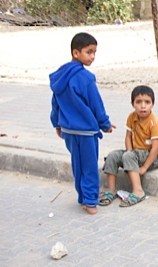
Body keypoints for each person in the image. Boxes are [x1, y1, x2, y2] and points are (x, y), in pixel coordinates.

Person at [49, 32, 115, 215]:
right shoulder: (86, 78)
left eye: (94, 52)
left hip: (69, 131)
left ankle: (82, 197)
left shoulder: (60, 77)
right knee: (89, 167)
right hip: (86, 132)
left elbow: (55, 104)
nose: (92, 56)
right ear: (76, 53)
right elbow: (96, 105)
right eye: (89, 52)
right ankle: (90, 202)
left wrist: (57, 124)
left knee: (77, 165)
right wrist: (105, 124)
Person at [100, 85, 158, 207]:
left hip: (151, 157)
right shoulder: (132, 117)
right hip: (135, 153)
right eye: (138, 102)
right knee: (113, 155)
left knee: (129, 156)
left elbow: (155, 148)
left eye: (147, 102)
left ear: (153, 104)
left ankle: (138, 191)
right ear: (132, 104)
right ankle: (111, 190)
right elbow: (128, 136)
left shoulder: (154, 123)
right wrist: (129, 152)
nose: (143, 106)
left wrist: (144, 167)